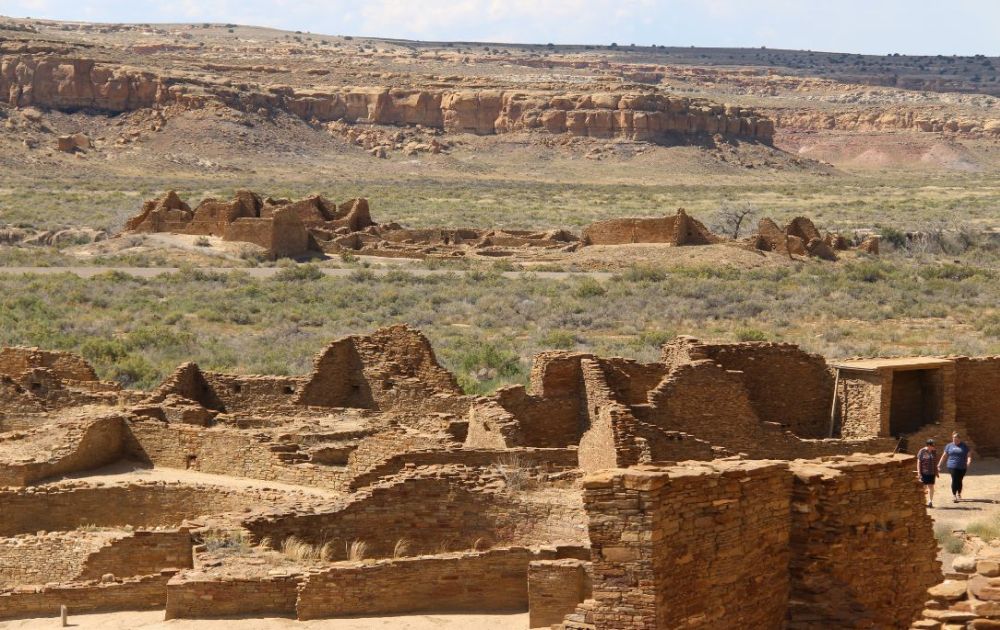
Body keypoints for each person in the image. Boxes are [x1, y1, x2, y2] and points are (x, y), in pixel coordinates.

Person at [938, 432, 972, 502]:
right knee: (954, 479)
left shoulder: (964, 446)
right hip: (952, 465)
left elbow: (969, 455)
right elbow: (944, 456)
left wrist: (968, 461)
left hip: (962, 466)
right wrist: (939, 464)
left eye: (956, 439)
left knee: (960, 480)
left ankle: (959, 493)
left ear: (959, 439)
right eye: (953, 438)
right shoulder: (949, 446)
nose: (954, 440)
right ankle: (954, 495)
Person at [916, 439, 939, 507]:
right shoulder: (922, 451)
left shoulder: (934, 451)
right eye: (932, 445)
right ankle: (923, 501)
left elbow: (935, 462)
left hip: (931, 472)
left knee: (931, 486)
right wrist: (919, 472)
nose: (933, 447)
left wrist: (936, 472)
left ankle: (930, 501)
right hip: (924, 472)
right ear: (928, 445)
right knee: (924, 487)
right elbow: (919, 462)